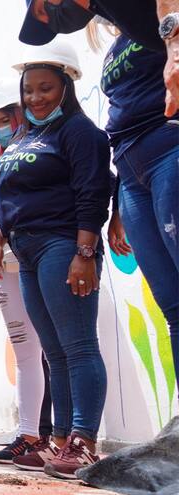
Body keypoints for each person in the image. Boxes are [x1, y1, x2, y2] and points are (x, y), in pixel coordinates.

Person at [0, 41, 111, 479]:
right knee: (54, 353)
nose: (35, 98)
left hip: (63, 245)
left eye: (45, 89)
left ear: (66, 88)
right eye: (29, 91)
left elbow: (93, 191)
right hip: (26, 250)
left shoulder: (79, 132)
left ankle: (83, 442)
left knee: (78, 346)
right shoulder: (28, 135)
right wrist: (1, 239)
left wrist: (84, 252)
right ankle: (58, 441)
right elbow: (9, 195)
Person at [97, 25, 179, 390]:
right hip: (130, 173)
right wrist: (117, 210)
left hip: (169, 145)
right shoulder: (115, 44)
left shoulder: (162, 13)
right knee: (172, 305)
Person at [0, 78, 55, 467]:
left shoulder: (43, 150)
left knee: (55, 350)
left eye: (3, 118)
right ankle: (28, 435)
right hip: (5, 268)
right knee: (26, 352)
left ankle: (59, 436)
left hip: (39, 256)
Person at [18, 0, 179, 115]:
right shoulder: (111, 13)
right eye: (47, 25)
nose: (48, 20)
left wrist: (175, 42)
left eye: (42, 10)